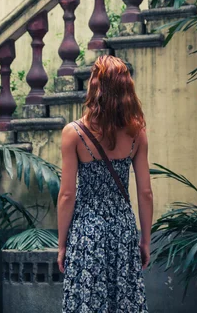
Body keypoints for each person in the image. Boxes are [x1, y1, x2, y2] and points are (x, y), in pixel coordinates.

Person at [56, 55, 153, 312]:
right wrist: (145, 240)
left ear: (94, 87)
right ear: (126, 90)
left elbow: (66, 195)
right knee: (123, 303)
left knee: (87, 303)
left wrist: (62, 244)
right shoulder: (137, 133)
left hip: (86, 232)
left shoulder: (73, 133)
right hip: (123, 229)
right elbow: (145, 193)